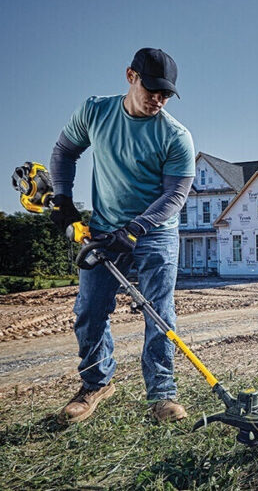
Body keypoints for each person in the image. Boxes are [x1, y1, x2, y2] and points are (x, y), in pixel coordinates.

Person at [49, 48, 196, 424]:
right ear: (131, 76)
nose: (158, 100)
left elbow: (175, 196)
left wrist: (134, 231)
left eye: (166, 94)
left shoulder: (176, 137)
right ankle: (96, 384)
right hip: (102, 227)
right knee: (89, 310)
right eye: (152, 89)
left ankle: (162, 396)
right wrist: (64, 202)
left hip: (155, 233)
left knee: (159, 313)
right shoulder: (95, 112)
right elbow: (65, 152)